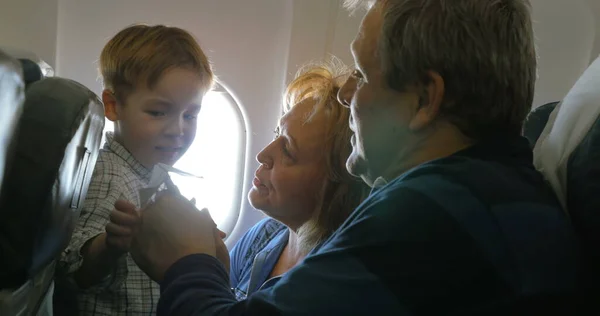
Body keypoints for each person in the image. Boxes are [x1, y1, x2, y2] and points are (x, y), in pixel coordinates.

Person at [127, 0, 581, 314]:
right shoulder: (487, 192)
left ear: (425, 99)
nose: (346, 93)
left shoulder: (433, 212)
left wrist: (187, 258)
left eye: (362, 74)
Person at [53, 24, 213, 315]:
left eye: (190, 114)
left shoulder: (155, 175)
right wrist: (109, 246)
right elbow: (74, 272)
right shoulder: (111, 176)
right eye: (158, 112)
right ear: (113, 106)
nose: (178, 130)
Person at [229, 60, 370, 300]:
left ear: (331, 185)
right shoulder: (265, 235)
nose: (262, 155)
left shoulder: (330, 276)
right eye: (277, 134)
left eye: (287, 151)